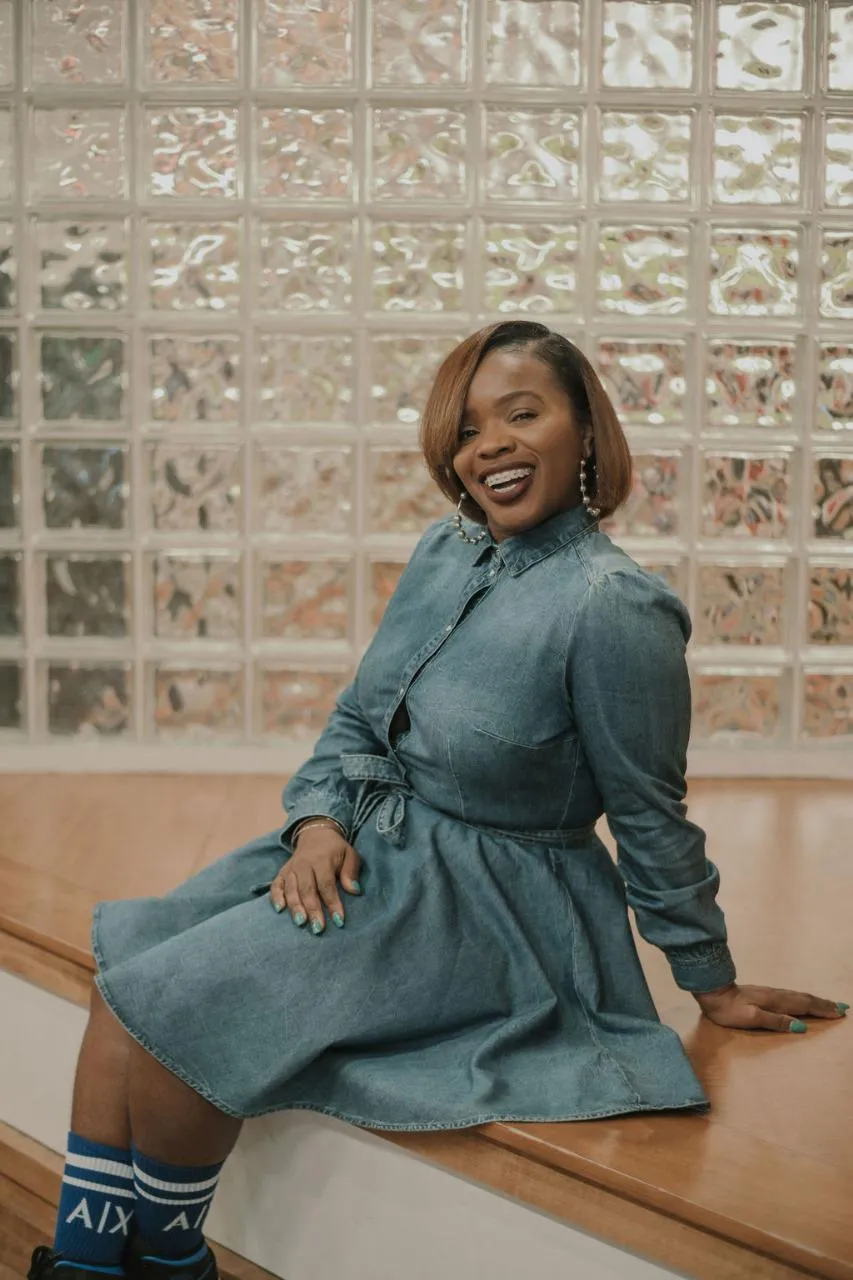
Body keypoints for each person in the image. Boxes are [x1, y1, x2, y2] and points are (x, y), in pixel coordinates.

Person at [30, 321, 847, 1280]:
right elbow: (359, 716)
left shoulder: (614, 608)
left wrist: (709, 979)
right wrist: (318, 824)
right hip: (370, 849)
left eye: (521, 415)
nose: (489, 445)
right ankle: (82, 1265)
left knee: (181, 1013)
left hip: (495, 909)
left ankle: (170, 1264)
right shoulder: (443, 552)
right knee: (127, 976)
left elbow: (648, 813)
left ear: (586, 431)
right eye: (465, 431)